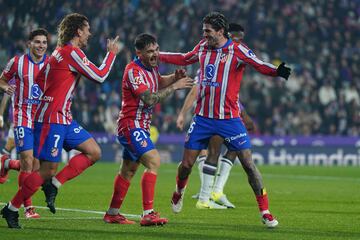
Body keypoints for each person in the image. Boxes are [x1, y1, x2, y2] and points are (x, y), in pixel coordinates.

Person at [160, 12, 291, 228]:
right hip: (203, 118)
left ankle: (265, 211)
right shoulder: (202, 47)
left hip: (230, 119)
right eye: (204, 30)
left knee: (249, 164)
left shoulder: (237, 50)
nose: (204, 34)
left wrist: (276, 71)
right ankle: (179, 192)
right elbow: (184, 58)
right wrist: (160, 55)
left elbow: (258, 64)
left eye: (208, 31)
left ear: (221, 31)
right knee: (186, 165)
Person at [1, 13, 121, 229]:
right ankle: (11, 209)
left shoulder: (57, 52)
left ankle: (53, 186)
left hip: (63, 117)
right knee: (44, 170)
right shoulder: (72, 53)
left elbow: (39, 79)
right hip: (52, 119)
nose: (89, 33)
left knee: (94, 152)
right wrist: (111, 54)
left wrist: (56, 90)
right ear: (78, 31)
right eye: (87, 29)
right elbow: (100, 75)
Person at [104, 33, 194, 226]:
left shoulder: (151, 68)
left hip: (141, 126)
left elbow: (157, 82)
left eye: (156, 49)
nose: (155, 54)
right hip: (130, 124)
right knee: (153, 160)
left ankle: (112, 213)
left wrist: (173, 78)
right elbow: (150, 98)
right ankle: (148, 214)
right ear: (139, 53)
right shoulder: (133, 70)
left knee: (128, 171)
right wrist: (175, 87)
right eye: (150, 51)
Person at [175, 23, 256, 209]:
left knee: (231, 148)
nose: (239, 41)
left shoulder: (236, 57)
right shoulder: (209, 59)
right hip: (210, 115)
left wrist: (243, 113)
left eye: (241, 38)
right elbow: (195, 91)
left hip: (228, 113)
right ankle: (207, 195)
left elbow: (230, 94)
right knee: (212, 151)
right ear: (227, 35)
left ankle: (214, 191)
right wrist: (182, 113)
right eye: (236, 37)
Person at [0, 28, 50, 219]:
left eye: (44, 42)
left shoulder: (51, 63)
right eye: (37, 42)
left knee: (35, 166)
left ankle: (6, 163)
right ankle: (28, 208)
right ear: (29, 43)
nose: (41, 46)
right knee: (28, 162)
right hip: (22, 116)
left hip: (42, 118)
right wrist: (6, 87)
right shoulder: (17, 62)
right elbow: (2, 80)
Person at [0, 93, 21, 184]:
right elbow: (6, 97)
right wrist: (0, 115)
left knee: (10, 145)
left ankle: (5, 164)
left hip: (33, 119)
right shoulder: (15, 79)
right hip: (18, 118)